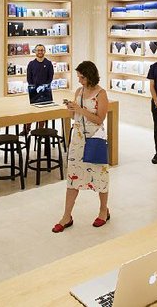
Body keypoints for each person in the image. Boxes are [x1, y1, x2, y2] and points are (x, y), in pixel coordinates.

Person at [52, 61, 110, 233]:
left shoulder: (101, 94)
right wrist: (72, 109)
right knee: (73, 177)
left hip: (95, 138)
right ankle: (66, 216)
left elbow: (99, 119)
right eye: (78, 76)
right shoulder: (79, 91)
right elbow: (74, 117)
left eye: (82, 77)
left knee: (100, 176)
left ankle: (103, 211)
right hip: (77, 139)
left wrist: (80, 109)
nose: (79, 80)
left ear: (90, 75)